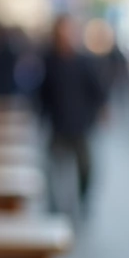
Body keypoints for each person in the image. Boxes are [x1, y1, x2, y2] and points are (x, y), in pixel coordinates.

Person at [37, 15, 108, 216]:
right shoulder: (49, 60)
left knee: (85, 167)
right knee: (53, 169)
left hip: (81, 125)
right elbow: (43, 92)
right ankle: (55, 206)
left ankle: (83, 200)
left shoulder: (84, 61)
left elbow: (97, 89)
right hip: (58, 124)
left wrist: (102, 110)